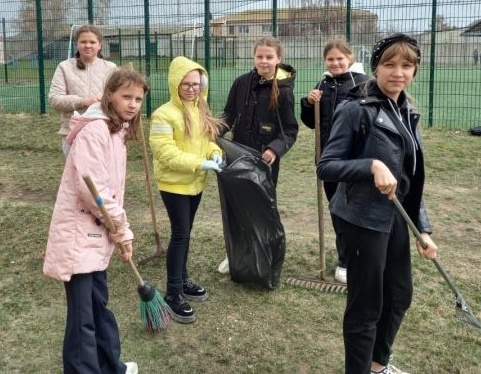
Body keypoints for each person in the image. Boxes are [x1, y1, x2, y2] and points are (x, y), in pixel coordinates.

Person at [317, 34, 438, 374]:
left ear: (415, 70)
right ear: (375, 68)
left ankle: (377, 365)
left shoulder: (406, 112)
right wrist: (370, 166)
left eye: (407, 65)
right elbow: (326, 166)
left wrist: (422, 228)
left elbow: (411, 178)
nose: (398, 72)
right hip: (361, 220)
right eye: (389, 64)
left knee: (399, 295)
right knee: (365, 308)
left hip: (396, 218)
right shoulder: (355, 109)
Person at [43, 67, 147, 374]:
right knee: (82, 317)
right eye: (126, 96)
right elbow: (94, 193)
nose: (132, 104)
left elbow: (109, 189)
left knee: (97, 305)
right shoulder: (95, 131)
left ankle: (109, 366)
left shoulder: (117, 131)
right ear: (109, 95)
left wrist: (118, 232)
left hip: (97, 233)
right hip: (79, 235)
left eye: (139, 99)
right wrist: (123, 228)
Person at [149, 56, 223, 323]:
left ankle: (182, 279)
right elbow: (165, 152)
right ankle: (173, 292)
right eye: (186, 84)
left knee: (186, 233)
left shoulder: (200, 109)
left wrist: (214, 154)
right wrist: (198, 163)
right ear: (174, 84)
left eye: (196, 84)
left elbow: (208, 141)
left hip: (195, 182)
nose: (192, 89)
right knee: (180, 234)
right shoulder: (163, 114)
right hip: (174, 184)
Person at [218, 36, 299, 273]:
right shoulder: (241, 82)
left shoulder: (283, 91)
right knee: (237, 205)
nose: (264, 61)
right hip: (237, 156)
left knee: (261, 206)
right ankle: (236, 252)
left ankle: (264, 254)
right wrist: (215, 131)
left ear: (278, 59)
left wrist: (275, 148)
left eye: (269, 57)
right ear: (254, 57)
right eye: (260, 56)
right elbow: (229, 115)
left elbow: (290, 130)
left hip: (265, 161)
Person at [300, 38, 368, 284]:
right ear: (324, 61)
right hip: (329, 161)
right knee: (337, 211)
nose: (335, 63)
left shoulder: (364, 85)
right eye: (330, 59)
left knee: (354, 212)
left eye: (340, 58)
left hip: (355, 161)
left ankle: (353, 259)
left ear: (350, 58)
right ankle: (345, 259)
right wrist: (309, 104)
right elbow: (311, 123)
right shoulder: (323, 84)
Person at [49, 25, 117, 156]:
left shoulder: (111, 68)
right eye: (83, 42)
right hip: (72, 132)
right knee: (76, 174)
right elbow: (54, 99)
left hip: (103, 131)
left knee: (101, 174)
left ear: (99, 45)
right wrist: (83, 101)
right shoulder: (64, 67)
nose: (88, 45)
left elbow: (119, 99)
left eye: (92, 42)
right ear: (77, 44)